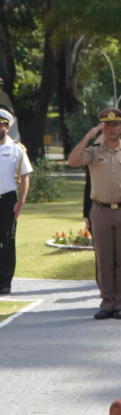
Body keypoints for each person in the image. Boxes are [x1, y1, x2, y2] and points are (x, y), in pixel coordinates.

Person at [67, 108, 121, 320]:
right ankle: (106, 302)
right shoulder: (94, 151)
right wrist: (89, 135)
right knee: (103, 260)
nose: (112, 129)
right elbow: (73, 161)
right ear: (102, 127)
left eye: (116, 125)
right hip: (100, 211)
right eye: (107, 125)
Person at [0, 108, 30, 295]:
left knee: (7, 242)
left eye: (1, 125)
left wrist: (21, 202)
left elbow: (25, 176)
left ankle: (5, 281)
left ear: (7, 127)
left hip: (8, 199)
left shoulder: (17, 149)